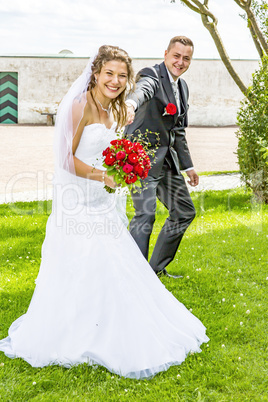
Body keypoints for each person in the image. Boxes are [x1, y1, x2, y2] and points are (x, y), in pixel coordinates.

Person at [0, 45, 208, 379]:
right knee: (80, 259)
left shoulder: (116, 110)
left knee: (112, 259)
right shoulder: (80, 105)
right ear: (96, 73)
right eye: (109, 73)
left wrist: (123, 167)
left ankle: (108, 323)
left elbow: (112, 149)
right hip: (77, 195)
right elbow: (66, 159)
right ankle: (75, 328)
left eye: (122, 75)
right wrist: (102, 175)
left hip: (102, 196)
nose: (115, 80)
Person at [125, 36, 198, 279]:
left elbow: (177, 129)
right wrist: (130, 105)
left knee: (184, 211)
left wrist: (188, 166)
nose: (180, 62)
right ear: (166, 53)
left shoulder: (183, 86)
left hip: (166, 162)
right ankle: (134, 276)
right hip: (142, 160)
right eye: (176, 56)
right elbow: (142, 90)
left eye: (186, 58)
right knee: (145, 214)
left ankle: (154, 270)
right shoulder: (152, 75)